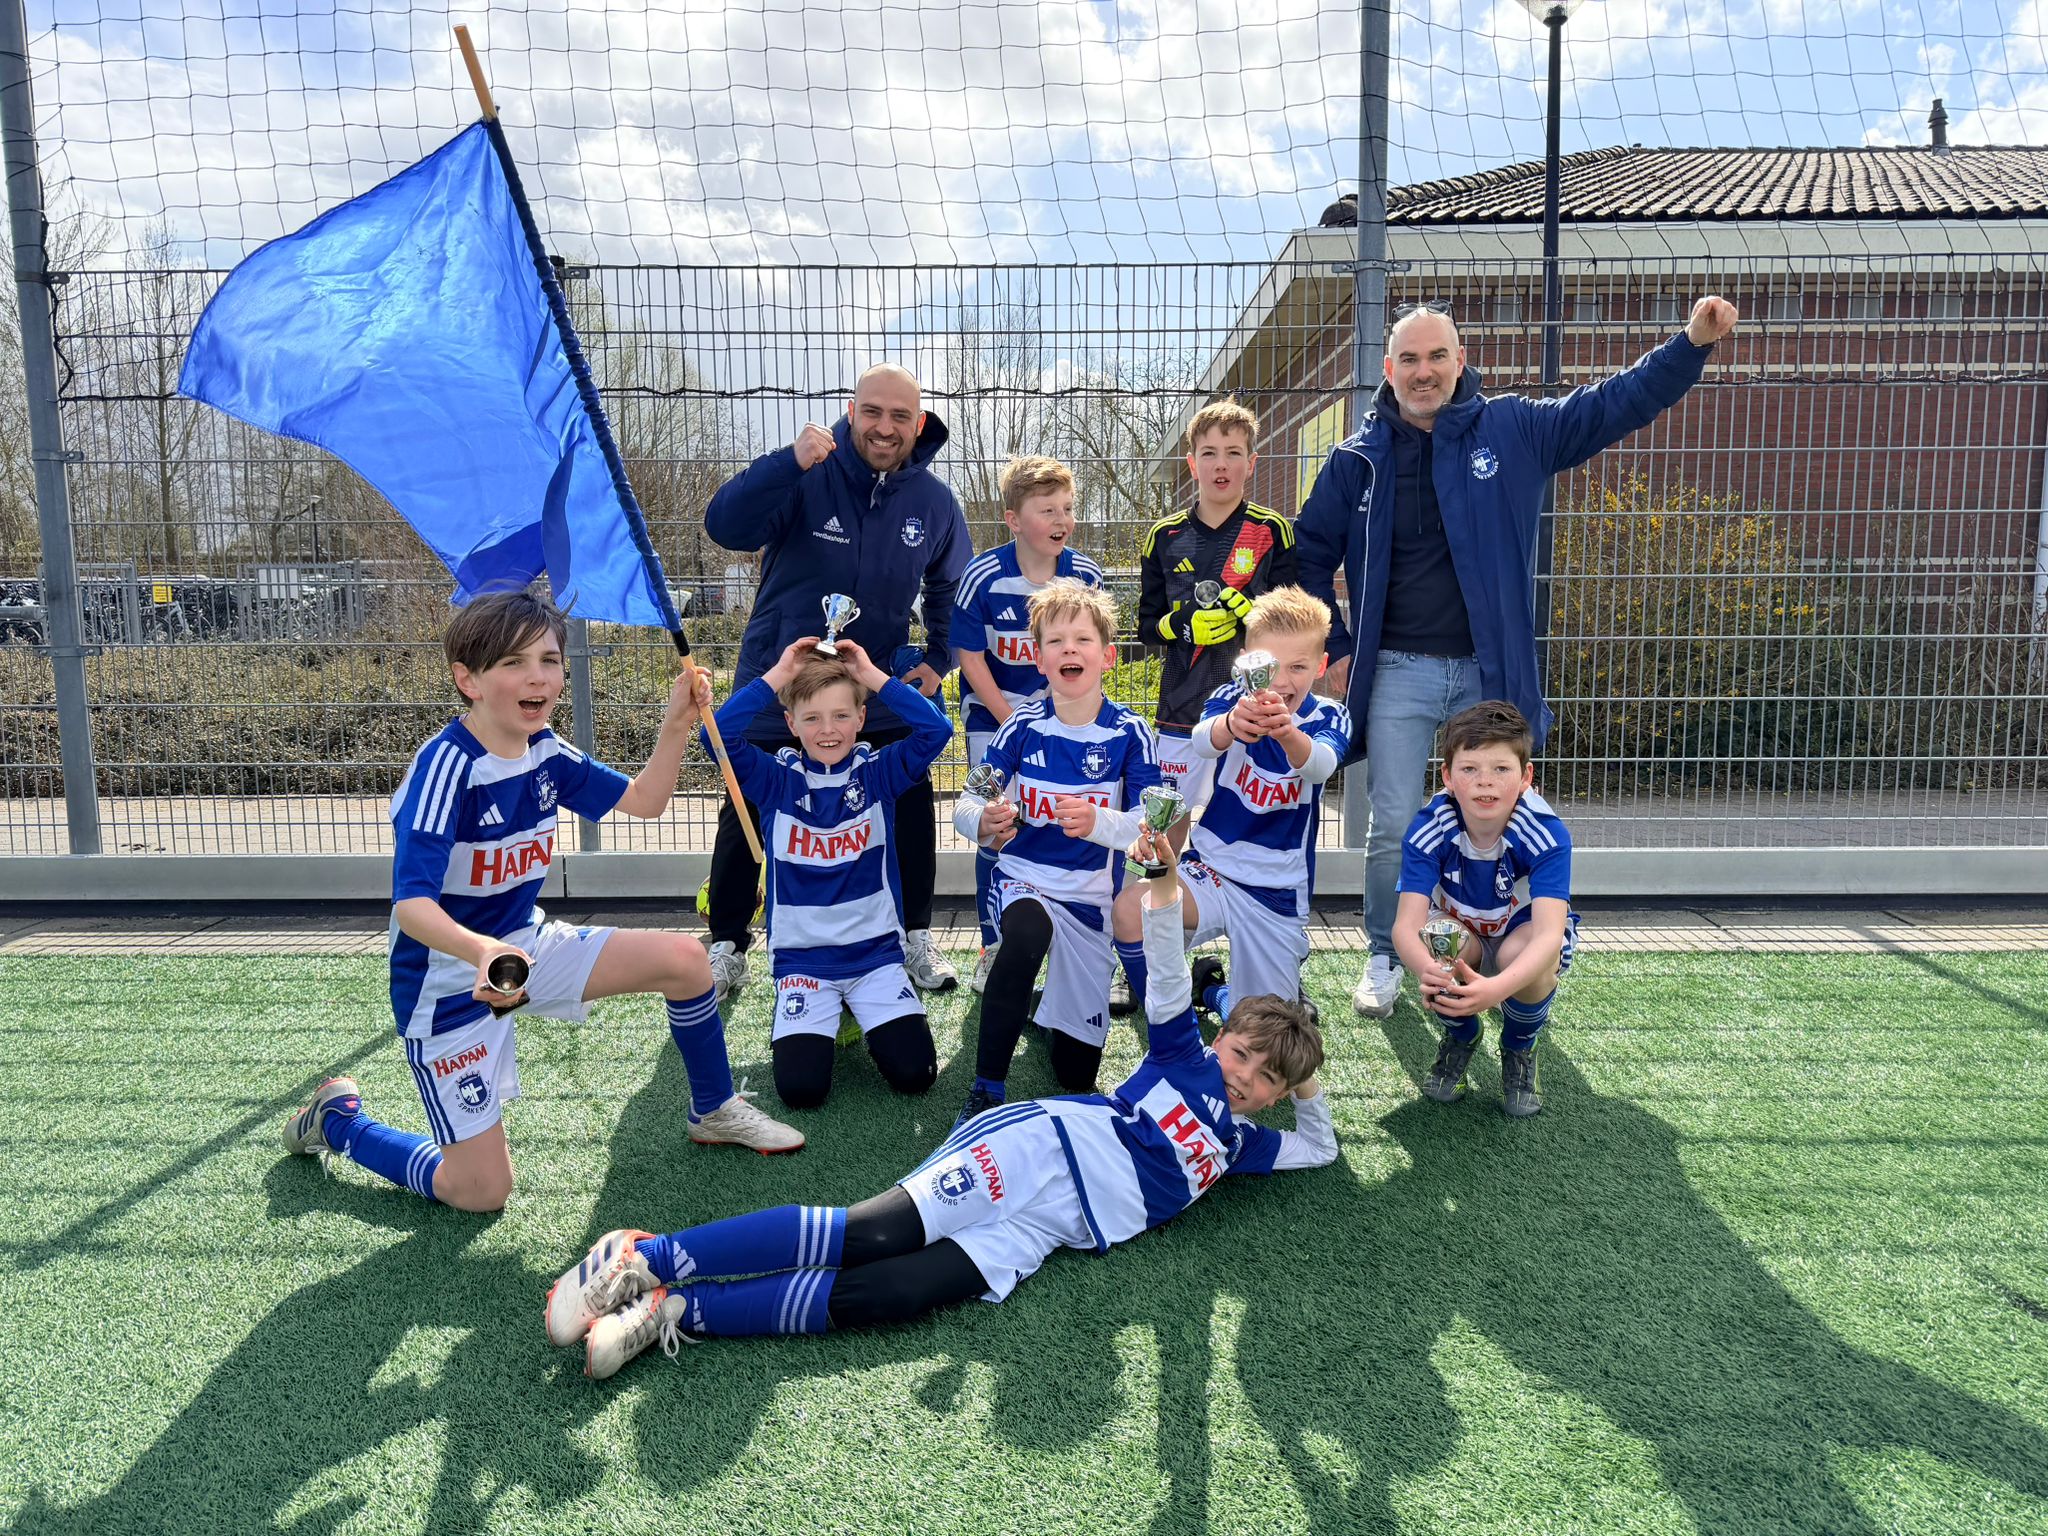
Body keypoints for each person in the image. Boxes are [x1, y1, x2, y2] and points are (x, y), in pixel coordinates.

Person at [541, 823, 1335, 1380]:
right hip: (1037, 1150)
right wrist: (1162, 883)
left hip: (1053, 1229)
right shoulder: (1181, 1056)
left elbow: (1321, 1145)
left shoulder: (1244, 1145)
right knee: (871, 1233)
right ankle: (646, 1257)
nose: (1244, 1078)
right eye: (1242, 1055)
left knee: (899, 1293)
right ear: (1221, 1039)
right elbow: (1163, 969)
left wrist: (1306, 1073)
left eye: (1264, 1079)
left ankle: (675, 1313)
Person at [279, 591, 802, 1214]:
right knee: (480, 1194)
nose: (538, 676)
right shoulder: (447, 768)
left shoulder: (546, 750)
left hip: (524, 947)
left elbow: (646, 801)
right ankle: (338, 1121)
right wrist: (482, 952)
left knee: (687, 963)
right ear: (467, 680)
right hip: (448, 979)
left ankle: (713, 1110)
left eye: (550, 660)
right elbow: (411, 908)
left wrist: (676, 724)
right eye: (513, 663)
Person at [1295, 297, 1739, 1019]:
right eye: (1409, 359)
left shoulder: (1514, 429)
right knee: (1393, 823)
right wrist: (1337, 647)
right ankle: (1385, 953)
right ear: (1388, 370)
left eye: (1438, 356)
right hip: (1397, 672)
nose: (1424, 371)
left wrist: (1690, 343)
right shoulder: (1357, 462)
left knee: (1492, 819)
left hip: (1487, 674)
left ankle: (1500, 956)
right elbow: (1308, 554)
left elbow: (1614, 405)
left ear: (1461, 362)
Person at [702, 364, 972, 1003]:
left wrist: (937, 657)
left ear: (919, 423)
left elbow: (950, 588)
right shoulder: (806, 475)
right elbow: (724, 526)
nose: (885, 427)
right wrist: (787, 461)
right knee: (749, 801)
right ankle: (726, 945)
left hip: (871, 684)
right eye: (872, 412)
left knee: (907, 799)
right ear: (851, 412)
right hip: (784, 675)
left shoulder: (933, 501)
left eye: (900, 416)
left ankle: (912, 938)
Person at [710, 636, 953, 1110]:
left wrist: (872, 677)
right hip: (804, 963)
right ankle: (822, 1014)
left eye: (842, 715)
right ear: (791, 723)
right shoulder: (775, 780)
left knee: (917, 1076)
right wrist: (780, 674)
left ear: (861, 719)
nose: (828, 730)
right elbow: (717, 735)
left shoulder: (877, 774)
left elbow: (936, 731)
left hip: (876, 958)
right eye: (813, 717)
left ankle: (858, 1009)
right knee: (802, 1091)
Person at [950, 579, 1159, 1122]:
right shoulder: (1021, 726)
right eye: (1055, 641)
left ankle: (1050, 1014)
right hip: (1025, 882)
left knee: (1075, 1073)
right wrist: (985, 823)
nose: (1069, 649)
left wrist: (1098, 822)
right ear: (1039, 660)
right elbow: (967, 803)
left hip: (1091, 905)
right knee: (1024, 935)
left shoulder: (1131, 733)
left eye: (1082, 639)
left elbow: (1147, 828)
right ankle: (986, 1087)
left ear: (1107, 656)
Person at [1107, 586, 1350, 1019]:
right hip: (1212, 870)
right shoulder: (1228, 701)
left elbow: (1320, 766)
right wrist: (1231, 724)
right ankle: (1173, 1022)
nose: (1280, 680)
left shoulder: (1329, 715)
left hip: (1274, 893)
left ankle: (1211, 992)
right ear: (1245, 664)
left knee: (1263, 1030)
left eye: (1298, 666)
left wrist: (1286, 731)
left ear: (1321, 665)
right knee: (1130, 909)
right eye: (1268, 666)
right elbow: (1203, 742)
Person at [951, 455, 1105, 995]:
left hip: (1067, 725)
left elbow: (1087, 655)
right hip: (995, 722)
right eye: (1047, 510)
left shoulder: (1085, 576)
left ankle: (1071, 940)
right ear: (1014, 520)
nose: (1062, 520)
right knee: (996, 828)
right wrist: (1016, 720)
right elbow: (970, 657)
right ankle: (993, 946)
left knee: (1060, 823)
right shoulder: (983, 576)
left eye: (1067, 508)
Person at [1390, 700, 1578, 1118]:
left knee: (1526, 955)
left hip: (1520, 936)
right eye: (1469, 769)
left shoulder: (1547, 834)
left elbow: (1549, 935)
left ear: (1526, 776)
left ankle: (1519, 1045)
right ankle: (1462, 1034)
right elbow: (1405, 926)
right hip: (1463, 934)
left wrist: (1495, 990)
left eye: (1501, 769)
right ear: (1447, 776)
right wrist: (1428, 972)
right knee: (1436, 942)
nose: (1484, 783)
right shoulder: (1428, 826)